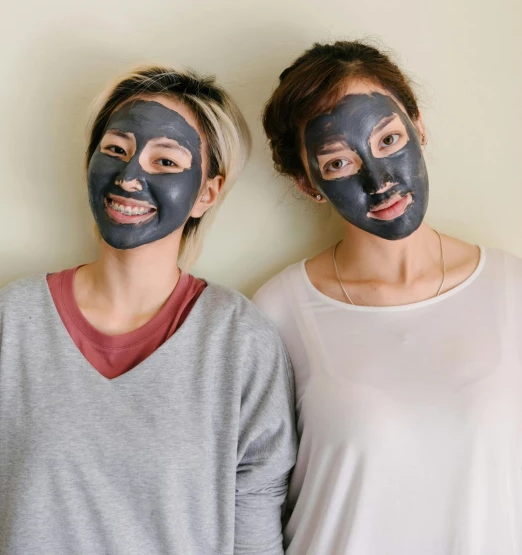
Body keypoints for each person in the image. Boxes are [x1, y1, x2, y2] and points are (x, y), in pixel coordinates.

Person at [0, 65, 296, 555]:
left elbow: (257, 519)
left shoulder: (239, 341)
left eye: (166, 161)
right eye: (115, 150)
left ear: (208, 192)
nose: (130, 176)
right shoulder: (13, 321)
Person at [254, 40, 522, 555]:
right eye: (336, 164)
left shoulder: (511, 289)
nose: (381, 182)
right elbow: (254, 496)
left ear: (419, 129)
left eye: (389, 139)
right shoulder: (279, 311)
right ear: (307, 183)